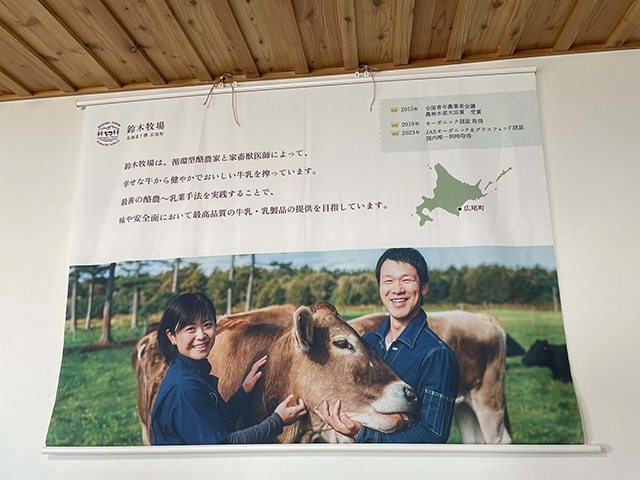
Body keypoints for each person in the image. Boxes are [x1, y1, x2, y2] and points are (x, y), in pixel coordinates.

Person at [315, 248, 459, 443]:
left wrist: (361, 434)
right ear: (380, 288)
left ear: (424, 287)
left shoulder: (437, 355)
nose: (397, 289)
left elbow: (433, 436)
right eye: (388, 281)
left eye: (406, 280)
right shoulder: (368, 342)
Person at [152, 292, 306, 445]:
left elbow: (216, 422)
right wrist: (277, 421)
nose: (201, 335)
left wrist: (243, 392)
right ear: (171, 336)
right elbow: (223, 444)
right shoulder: (185, 388)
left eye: (207, 325)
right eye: (190, 329)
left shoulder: (190, 372)